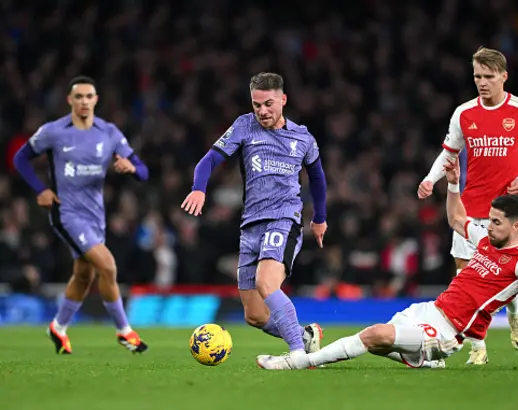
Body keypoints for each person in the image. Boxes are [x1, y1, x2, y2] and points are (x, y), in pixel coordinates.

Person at [256, 157, 518, 370]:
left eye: (497, 221)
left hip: (449, 332)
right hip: (430, 310)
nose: (489, 225)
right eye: (489, 219)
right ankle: (427, 363)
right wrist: (454, 185)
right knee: (380, 341)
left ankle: (295, 361)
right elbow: (458, 220)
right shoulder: (486, 239)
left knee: (374, 335)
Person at [417, 47, 518, 364]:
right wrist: (430, 178)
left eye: (489, 77)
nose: (482, 82)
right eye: (477, 76)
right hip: (470, 206)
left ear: (503, 77)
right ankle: (478, 349)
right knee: (467, 276)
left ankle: (514, 308)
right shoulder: (464, 114)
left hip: (507, 210)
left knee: (502, 274)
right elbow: (449, 154)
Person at [181, 72, 326, 358]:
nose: (262, 111)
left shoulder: (302, 137)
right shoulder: (244, 126)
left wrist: (319, 218)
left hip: (284, 219)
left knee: (266, 282)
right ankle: (305, 336)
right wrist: (199, 189)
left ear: (283, 100)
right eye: (256, 104)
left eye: (268, 104)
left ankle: (299, 355)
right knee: (255, 316)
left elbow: (318, 178)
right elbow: (209, 160)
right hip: (250, 226)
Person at [12, 76, 150, 354]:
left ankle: (58, 328)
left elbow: (144, 172)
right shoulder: (53, 131)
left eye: (89, 96)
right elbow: (20, 158)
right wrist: (41, 189)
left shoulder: (109, 132)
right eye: (79, 97)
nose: (84, 101)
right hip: (67, 212)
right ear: (69, 100)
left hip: (95, 216)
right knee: (108, 266)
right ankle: (125, 331)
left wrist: (131, 169)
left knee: (84, 275)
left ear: (96, 100)